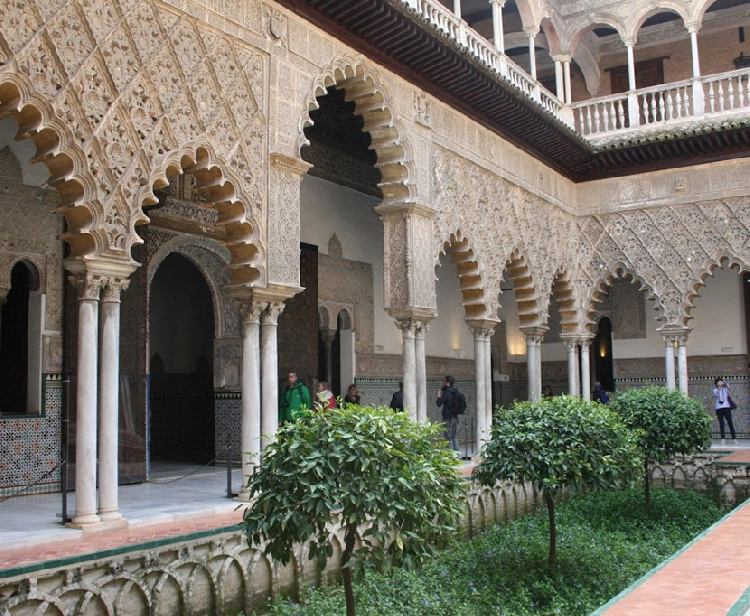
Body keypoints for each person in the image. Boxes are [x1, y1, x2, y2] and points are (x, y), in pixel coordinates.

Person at [436, 375, 460, 452]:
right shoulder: (456, 392)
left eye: (444, 381)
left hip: (447, 417)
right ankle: (456, 454)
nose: (443, 383)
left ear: (448, 383)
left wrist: (439, 396)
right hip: (455, 417)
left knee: (447, 437)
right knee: (454, 437)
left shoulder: (446, 393)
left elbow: (439, 404)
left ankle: (450, 455)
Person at [713, 377, 738, 445]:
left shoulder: (725, 389)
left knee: (730, 422)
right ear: (716, 383)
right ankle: (723, 438)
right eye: (719, 382)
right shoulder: (715, 390)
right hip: (719, 408)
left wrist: (728, 386)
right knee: (721, 423)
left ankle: (734, 438)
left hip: (726, 407)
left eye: (721, 381)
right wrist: (719, 387)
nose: (720, 383)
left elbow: (730, 393)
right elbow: (716, 394)